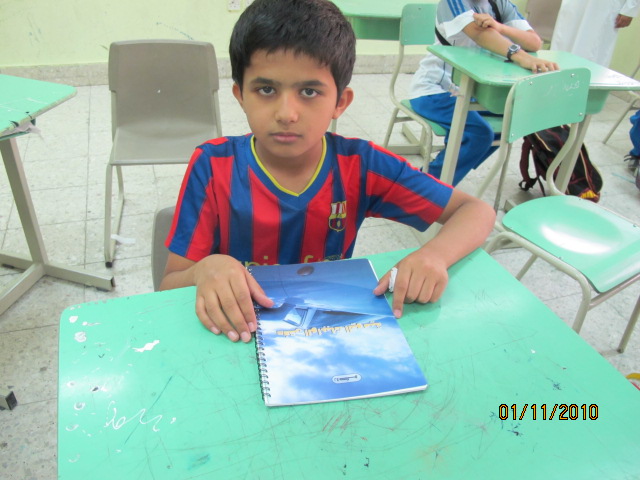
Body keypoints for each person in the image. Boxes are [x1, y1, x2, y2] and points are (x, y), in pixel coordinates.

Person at [159, 0, 496, 343]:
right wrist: (205, 269)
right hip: (232, 336)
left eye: (309, 92)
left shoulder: (362, 165)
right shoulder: (213, 166)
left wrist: (433, 256)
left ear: (340, 102)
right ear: (240, 95)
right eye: (266, 90)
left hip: (321, 335)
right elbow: (169, 285)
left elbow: (475, 211)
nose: (286, 113)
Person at [409, 0, 558, 186]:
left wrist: (499, 27)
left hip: (472, 93)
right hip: (435, 90)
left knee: (513, 119)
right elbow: (480, 34)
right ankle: (422, 185)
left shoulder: (500, 4)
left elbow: (534, 42)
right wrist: (522, 57)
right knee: (479, 134)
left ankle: (447, 168)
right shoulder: (452, 2)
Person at [551, 0, 639, 67]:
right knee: (564, 40)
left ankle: (585, 82)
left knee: (591, 49)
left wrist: (630, 9)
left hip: (606, 6)